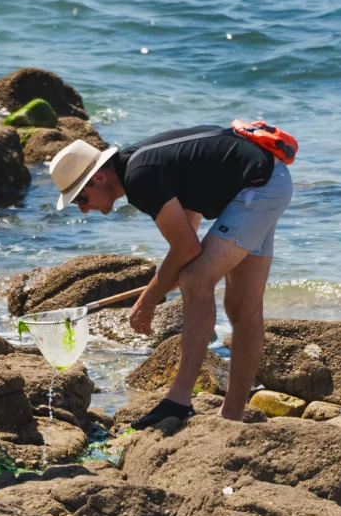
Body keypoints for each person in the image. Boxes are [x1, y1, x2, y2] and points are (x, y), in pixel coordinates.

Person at [49, 125, 293, 426]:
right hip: (268, 178)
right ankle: (233, 417)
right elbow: (187, 241)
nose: (84, 210)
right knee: (242, 305)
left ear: (98, 176)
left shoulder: (139, 177)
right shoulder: (139, 167)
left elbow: (187, 251)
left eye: (79, 199)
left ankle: (178, 400)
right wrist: (158, 287)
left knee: (196, 278)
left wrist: (149, 298)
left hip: (258, 185)